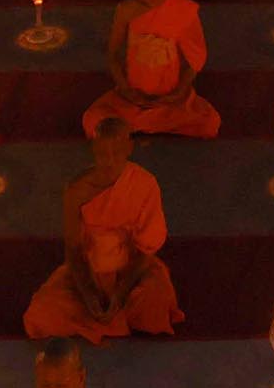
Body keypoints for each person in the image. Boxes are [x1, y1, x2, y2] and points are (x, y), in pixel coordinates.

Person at [23, 117, 184, 341]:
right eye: (102, 154)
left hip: (132, 269)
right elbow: (74, 248)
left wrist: (121, 292)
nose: (109, 161)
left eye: (116, 153)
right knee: (41, 314)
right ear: (93, 150)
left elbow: (146, 250)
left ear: (129, 149)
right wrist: (88, 293)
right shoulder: (77, 190)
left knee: (154, 307)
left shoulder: (145, 184)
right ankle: (113, 317)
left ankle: (111, 316)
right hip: (90, 269)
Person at [91, 0, 219, 137]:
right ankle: (143, 122)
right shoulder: (127, 10)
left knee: (209, 124)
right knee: (93, 120)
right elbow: (113, 54)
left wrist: (179, 91)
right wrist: (126, 90)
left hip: (170, 98)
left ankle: (142, 124)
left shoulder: (184, 10)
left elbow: (195, 58)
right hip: (132, 98)